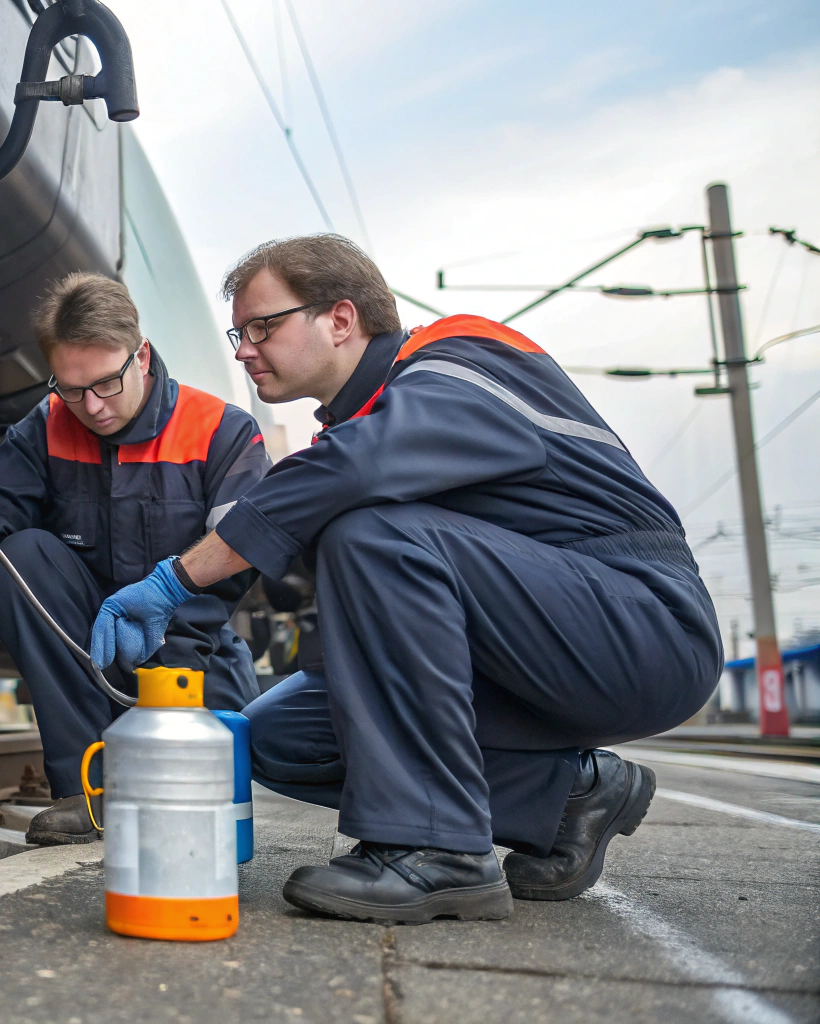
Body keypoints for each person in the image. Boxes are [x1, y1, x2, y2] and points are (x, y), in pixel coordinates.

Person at [91, 234, 722, 923]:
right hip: (531, 648)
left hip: (643, 628)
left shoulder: (460, 358)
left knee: (374, 532)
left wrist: (175, 579)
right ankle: (569, 793)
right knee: (276, 736)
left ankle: (439, 852)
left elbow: (356, 469)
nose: (243, 349)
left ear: (340, 318)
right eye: (237, 333)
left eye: (261, 327)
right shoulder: (362, 427)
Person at [0, 272, 272, 844]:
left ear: (142, 355)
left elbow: (242, 552)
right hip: (87, 645)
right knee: (23, 554)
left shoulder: (219, 431)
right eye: (72, 388)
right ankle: (86, 792)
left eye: (106, 383)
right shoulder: (48, 425)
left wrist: (165, 631)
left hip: (188, 650)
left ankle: (160, 753)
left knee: (201, 801)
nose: (92, 407)